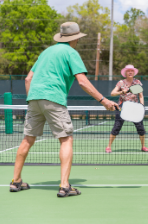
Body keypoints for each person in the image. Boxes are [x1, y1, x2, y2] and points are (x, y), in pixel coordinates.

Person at [9, 22, 118, 197]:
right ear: (75, 38)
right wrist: (103, 100)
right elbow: (82, 81)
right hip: (54, 98)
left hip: (34, 99)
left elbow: (28, 79)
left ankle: (16, 181)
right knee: (66, 140)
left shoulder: (46, 52)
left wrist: (32, 100)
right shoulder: (71, 53)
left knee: (28, 139)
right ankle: (65, 186)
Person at [105, 64, 148, 153]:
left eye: (132, 71)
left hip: (135, 108)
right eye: (128, 71)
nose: (130, 72)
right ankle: (108, 146)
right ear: (125, 73)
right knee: (116, 127)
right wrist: (122, 91)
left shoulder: (137, 82)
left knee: (140, 128)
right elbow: (112, 93)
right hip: (122, 108)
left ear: (134, 72)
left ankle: (143, 146)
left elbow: (141, 96)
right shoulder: (121, 83)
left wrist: (142, 106)